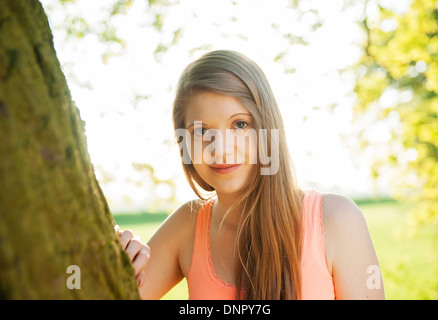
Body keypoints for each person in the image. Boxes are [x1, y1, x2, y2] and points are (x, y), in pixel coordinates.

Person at [117, 50, 385, 300]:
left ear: (268, 127)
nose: (220, 150)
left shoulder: (336, 220)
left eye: (240, 124)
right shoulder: (187, 226)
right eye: (201, 131)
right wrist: (118, 261)